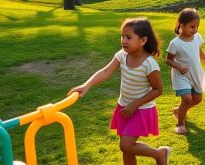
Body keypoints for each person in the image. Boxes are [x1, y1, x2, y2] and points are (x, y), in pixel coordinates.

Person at [69, 18, 171, 165]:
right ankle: (159, 154)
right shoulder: (122, 55)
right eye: (122, 36)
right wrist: (87, 84)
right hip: (124, 107)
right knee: (126, 150)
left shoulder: (149, 64)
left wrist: (135, 104)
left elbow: (158, 90)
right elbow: (105, 72)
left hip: (141, 109)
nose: (124, 41)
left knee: (126, 145)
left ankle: (159, 153)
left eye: (129, 37)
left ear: (142, 40)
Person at [165, 8, 205, 135]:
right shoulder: (175, 43)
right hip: (181, 75)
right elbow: (168, 60)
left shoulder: (196, 37)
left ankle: (179, 110)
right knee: (186, 99)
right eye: (192, 27)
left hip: (195, 73)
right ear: (182, 25)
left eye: (197, 26)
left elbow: (198, 50)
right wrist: (179, 66)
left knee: (197, 99)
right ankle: (180, 124)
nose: (195, 29)